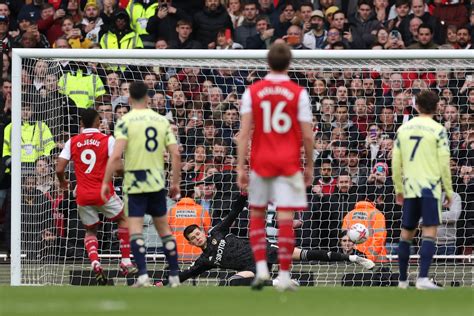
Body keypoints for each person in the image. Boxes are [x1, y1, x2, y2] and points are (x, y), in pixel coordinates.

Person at [155, 194, 374, 287]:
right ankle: (277, 282)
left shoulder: (216, 232)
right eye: (193, 238)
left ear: (202, 232)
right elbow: (183, 275)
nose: (197, 237)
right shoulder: (204, 259)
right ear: (193, 243)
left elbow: (233, 212)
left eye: (197, 233)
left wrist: (243, 193)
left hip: (264, 251)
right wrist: (161, 284)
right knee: (232, 282)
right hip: (252, 268)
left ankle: (353, 257)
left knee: (304, 254)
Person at [236, 43, 314, 291]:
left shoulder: (253, 91)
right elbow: (308, 135)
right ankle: (283, 275)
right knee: (286, 220)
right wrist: (309, 164)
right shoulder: (298, 93)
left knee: (257, 217)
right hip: (288, 164)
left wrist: (241, 166)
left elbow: (243, 134)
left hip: (261, 162)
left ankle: (260, 270)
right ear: (289, 64)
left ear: (267, 63)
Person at [101, 81, 181, 288]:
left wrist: (106, 182)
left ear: (129, 99)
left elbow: (116, 155)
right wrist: (175, 183)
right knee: (164, 230)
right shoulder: (161, 120)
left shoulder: (125, 121)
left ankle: (143, 276)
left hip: (135, 183)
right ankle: (174, 275)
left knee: (135, 230)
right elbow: (175, 153)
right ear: (148, 98)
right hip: (156, 181)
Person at [56, 109, 136, 285]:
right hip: (103, 192)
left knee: (91, 230)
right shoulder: (107, 139)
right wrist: (122, 175)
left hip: (83, 194)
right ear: (99, 123)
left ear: (81, 124)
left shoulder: (73, 141)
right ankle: (125, 261)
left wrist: (63, 183)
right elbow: (118, 165)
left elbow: (59, 168)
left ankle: (95, 261)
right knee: (123, 220)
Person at [392, 90, 454, 290]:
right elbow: (444, 164)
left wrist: (398, 188)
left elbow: (395, 162)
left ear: (416, 106)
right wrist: (449, 191)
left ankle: (402, 281)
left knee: (406, 234)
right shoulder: (438, 130)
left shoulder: (404, 128)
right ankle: (422, 279)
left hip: (409, 188)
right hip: (430, 189)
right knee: (429, 233)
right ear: (437, 108)